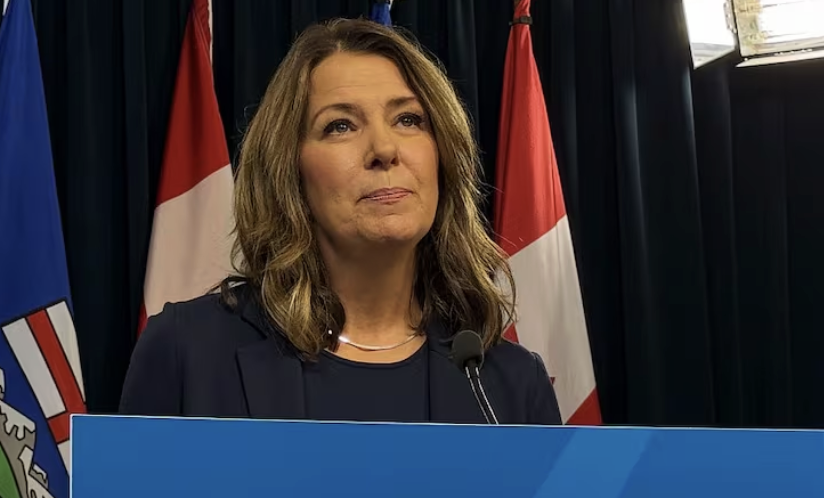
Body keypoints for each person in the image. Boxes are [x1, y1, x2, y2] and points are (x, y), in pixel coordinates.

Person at [119, 17, 562, 426]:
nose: (384, 149)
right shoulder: (187, 352)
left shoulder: (511, 385)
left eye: (408, 119)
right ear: (288, 171)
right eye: (341, 126)